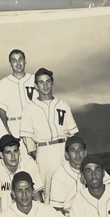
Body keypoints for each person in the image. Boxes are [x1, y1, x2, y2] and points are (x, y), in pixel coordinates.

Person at [20, 68, 79, 202]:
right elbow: (27, 136)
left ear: (52, 83)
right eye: (41, 82)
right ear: (36, 86)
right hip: (44, 150)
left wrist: (70, 152)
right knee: (49, 190)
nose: (45, 85)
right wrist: (36, 155)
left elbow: (73, 133)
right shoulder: (30, 107)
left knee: (71, 186)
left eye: (48, 81)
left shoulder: (62, 104)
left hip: (63, 149)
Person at [0, 134, 44, 217]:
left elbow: (38, 199)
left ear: (19, 152)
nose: (13, 156)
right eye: (8, 152)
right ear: (1, 155)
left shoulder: (29, 165)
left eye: (15, 151)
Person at [49, 135, 110, 216]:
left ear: (85, 153)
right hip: (69, 215)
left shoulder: (93, 167)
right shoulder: (60, 173)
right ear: (67, 155)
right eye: (73, 150)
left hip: (94, 213)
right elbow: (57, 208)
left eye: (80, 149)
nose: (77, 154)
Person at [0, 49, 36, 136]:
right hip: (14, 127)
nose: (18, 63)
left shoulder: (34, 79)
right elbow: (2, 115)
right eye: (14, 60)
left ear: (25, 61)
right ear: (10, 64)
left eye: (20, 59)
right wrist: (9, 135)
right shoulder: (3, 83)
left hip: (35, 125)